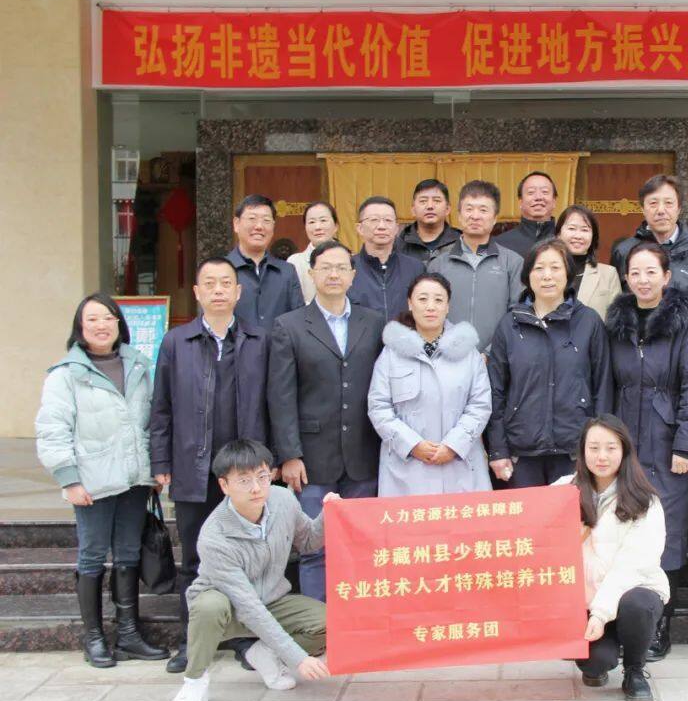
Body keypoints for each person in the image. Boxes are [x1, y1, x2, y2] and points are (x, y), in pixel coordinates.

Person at [149, 256, 270, 673]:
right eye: (210, 284)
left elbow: (274, 403)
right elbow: (161, 407)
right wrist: (160, 460)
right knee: (195, 560)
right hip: (193, 468)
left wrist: (271, 461)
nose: (219, 290)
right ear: (198, 292)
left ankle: (244, 640)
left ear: (238, 292)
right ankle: (193, 641)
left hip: (246, 472)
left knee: (248, 560)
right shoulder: (175, 342)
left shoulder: (259, 339)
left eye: (226, 283)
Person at [35, 293, 169, 668]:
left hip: (134, 480)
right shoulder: (65, 374)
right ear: (80, 327)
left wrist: (154, 468)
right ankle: (93, 637)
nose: (101, 325)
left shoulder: (139, 365)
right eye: (92, 319)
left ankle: (128, 635)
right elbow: (52, 431)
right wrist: (69, 479)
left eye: (108, 318)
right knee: (92, 555)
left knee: (128, 554)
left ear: (118, 324)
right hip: (91, 482)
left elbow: (151, 421)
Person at [166, 439, 335, 701]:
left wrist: (328, 515)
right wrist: (298, 659)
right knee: (208, 606)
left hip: (272, 600)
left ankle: (265, 655)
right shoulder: (214, 536)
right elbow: (248, 607)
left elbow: (307, 541)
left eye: (262, 476)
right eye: (244, 480)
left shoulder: (283, 500)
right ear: (224, 485)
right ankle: (194, 683)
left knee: (330, 622)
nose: (256, 488)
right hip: (228, 609)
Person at [269, 240, 384, 601]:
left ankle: (358, 621)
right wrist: (289, 454)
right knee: (314, 548)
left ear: (353, 275)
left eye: (341, 268)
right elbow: (281, 396)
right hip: (312, 458)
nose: (333, 274)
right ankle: (320, 626)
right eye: (325, 268)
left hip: (363, 453)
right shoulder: (289, 326)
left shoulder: (373, 322)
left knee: (361, 546)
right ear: (311, 273)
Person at [606, 242, 688, 661]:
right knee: (623, 528)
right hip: (625, 440)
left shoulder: (683, 323)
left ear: (666, 276)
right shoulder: (617, 323)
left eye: (651, 272)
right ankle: (621, 620)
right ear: (626, 278)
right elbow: (607, 382)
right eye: (635, 272)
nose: (643, 280)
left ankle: (661, 623)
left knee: (668, 534)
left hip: (667, 445)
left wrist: (685, 443)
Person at [555, 415, 669, 701]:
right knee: (594, 664)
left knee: (637, 604)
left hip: (631, 591)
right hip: (587, 600)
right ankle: (603, 653)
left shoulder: (644, 500)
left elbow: (632, 567)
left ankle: (635, 670)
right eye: (593, 448)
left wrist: (601, 614)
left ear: (624, 450)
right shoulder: (563, 490)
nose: (601, 456)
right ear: (582, 451)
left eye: (610, 448)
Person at [487, 239, 613, 487]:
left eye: (555, 268)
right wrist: (498, 450)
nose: (547, 276)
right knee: (526, 513)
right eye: (539, 268)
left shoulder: (588, 322)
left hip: (574, 449)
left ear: (567, 273)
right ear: (528, 275)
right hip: (521, 450)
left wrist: (599, 446)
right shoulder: (509, 325)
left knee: (575, 513)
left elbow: (603, 387)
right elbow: (496, 391)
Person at [368, 273, 493, 495]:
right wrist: (412, 445)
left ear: (448, 306)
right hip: (407, 469)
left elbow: (480, 404)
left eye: (438, 300)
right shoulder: (392, 353)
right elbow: (379, 407)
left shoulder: (468, 353)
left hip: (461, 465)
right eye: (423, 299)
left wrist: (453, 445)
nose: (430, 307)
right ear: (410, 303)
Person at [428, 180, 525, 352]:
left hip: (497, 358)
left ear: (495, 218)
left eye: (483, 210)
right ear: (459, 215)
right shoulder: (438, 264)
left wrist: (491, 353)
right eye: (469, 209)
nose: (475, 216)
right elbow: (429, 314)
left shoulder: (512, 262)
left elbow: (517, 314)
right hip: (447, 356)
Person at [611, 175, 688, 300]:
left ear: (679, 209)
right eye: (653, 203)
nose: (661, 210)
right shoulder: (624, 251)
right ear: (643, 209)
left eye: (668, 203)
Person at [227, 194, 304, 333]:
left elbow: (298, 321)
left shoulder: (287, 272)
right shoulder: (221, 270)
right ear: (236, 224)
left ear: (273, 226)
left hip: (279, 347)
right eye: (252, 219)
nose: (259, 226)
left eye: (266, 220)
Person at [347, 196, 425, 323]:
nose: (382, 226)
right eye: (374, 220)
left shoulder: (416, 268)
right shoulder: (347, 268)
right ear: (359, 228)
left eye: (388, 220)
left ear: (396, 228)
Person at [556, 205, 621, 320]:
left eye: (585, 230)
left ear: (593, 237)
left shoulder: (608, 274)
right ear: (558, 234)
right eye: (572, 228)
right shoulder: (545, 272)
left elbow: (616, 320)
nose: (578, 236)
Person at [395, 179, 462, 265]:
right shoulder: (398, 245)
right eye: (423, 201)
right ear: (413, 210)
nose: (430, 206)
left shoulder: (461, 243)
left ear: (447, 209)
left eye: (437, 201)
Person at [494, 171, 558, 259]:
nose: (538, 197)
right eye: (531, 192)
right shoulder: (500, 244)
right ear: (520, 202)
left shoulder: (567, 241)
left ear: (554, 201)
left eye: (545, 192)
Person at [288, 201, 340, 304]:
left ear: (336, 226)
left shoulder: (350, 260)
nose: (317, 227)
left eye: (323, 220)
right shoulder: (295, 262)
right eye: (312, 222)